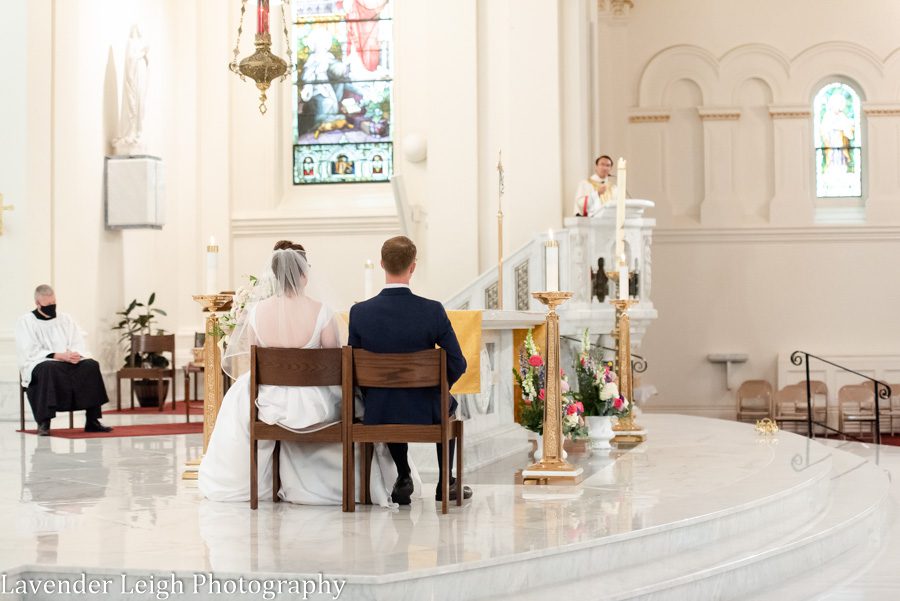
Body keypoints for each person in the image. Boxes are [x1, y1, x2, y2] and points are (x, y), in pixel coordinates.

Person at [199, 240, 414, 506]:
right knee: (361, 404)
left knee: (237, 401)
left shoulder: (256, 313)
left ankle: (253, 482)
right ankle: (359, 484)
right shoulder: (321, 312)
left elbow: (255, 360)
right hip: (314, 405)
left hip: (270, 404)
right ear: (303, 274)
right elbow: (336, 363)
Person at [349, 236, 472, 505]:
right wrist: (436, 388)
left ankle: (403, 474)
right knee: (446, 405)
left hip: (380, 411)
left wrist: (379, 390)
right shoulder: (431, 311)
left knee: (391, 400)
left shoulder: (360, 313)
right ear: (413, 267)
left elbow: (354, 370)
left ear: (382, 264)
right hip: (426, 408)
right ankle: (445, 482)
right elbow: (458, 362)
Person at [15, 285, 112, 435]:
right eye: (48, 305)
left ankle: (92, 421)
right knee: (48, 368)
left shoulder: (65, 319)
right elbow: (29, 350)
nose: (52, 307)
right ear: (37, 303)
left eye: (54, 303)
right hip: (41, 362)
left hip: (66, 361)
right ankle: (44, 423)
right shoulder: (27, 322)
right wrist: (58, 355)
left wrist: (74, 354)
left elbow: (77, 341)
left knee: (91, 365)